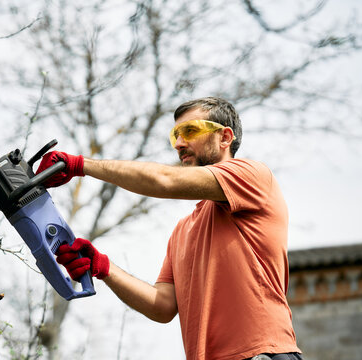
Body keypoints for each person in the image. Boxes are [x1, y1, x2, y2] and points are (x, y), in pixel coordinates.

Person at [37, 97, 303, 360]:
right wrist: (103, 267)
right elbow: (162, 306)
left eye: (190, 131)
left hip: (264, 354)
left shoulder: (253, 176)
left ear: (225, 138)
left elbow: (165, 180)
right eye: (176, 134)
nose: (179, 144)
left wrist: (79, 165)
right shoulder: (183, 230)